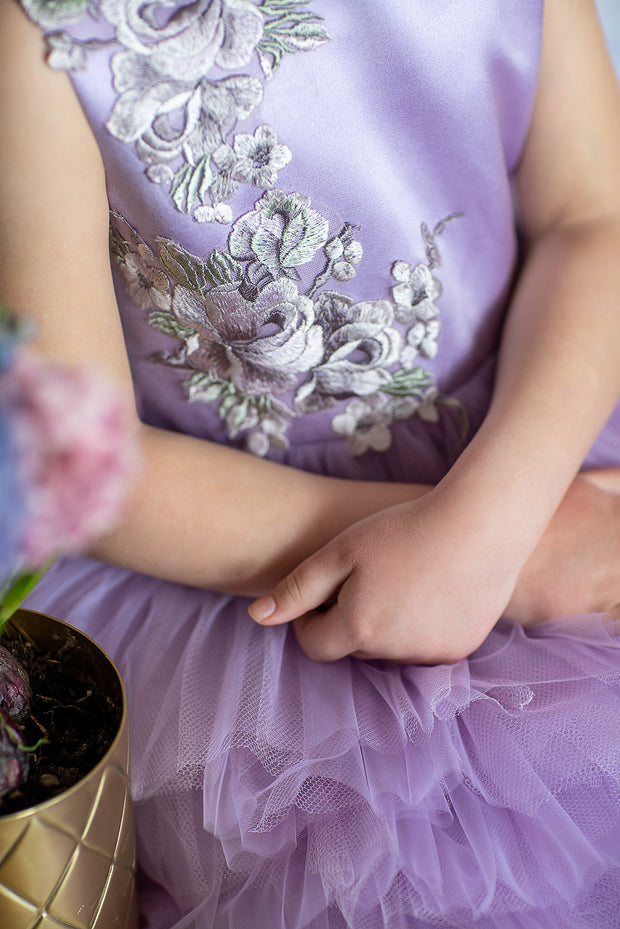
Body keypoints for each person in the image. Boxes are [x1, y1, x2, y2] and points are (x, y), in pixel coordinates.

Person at [1, 0, 620, 925]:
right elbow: (80, 450)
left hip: (548, 407)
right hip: (242, 545)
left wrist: (497, 515)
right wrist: (504, 556)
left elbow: (592, 218)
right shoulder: (33, 28)